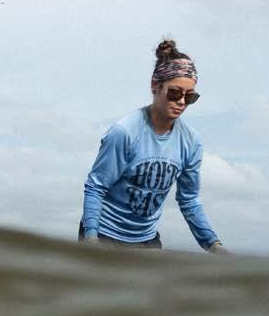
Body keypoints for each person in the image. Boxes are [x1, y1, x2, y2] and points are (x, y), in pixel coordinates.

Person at [81, 39, 226, 253]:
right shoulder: (124, 132)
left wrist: (214, 245)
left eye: (190, 97)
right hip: (105, 235)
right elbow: (96, 187)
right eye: (175, 93)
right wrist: (91, 240)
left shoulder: (191, 142)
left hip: (147, 240)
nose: (182, 102)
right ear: (155, 86)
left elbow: (189, 200)